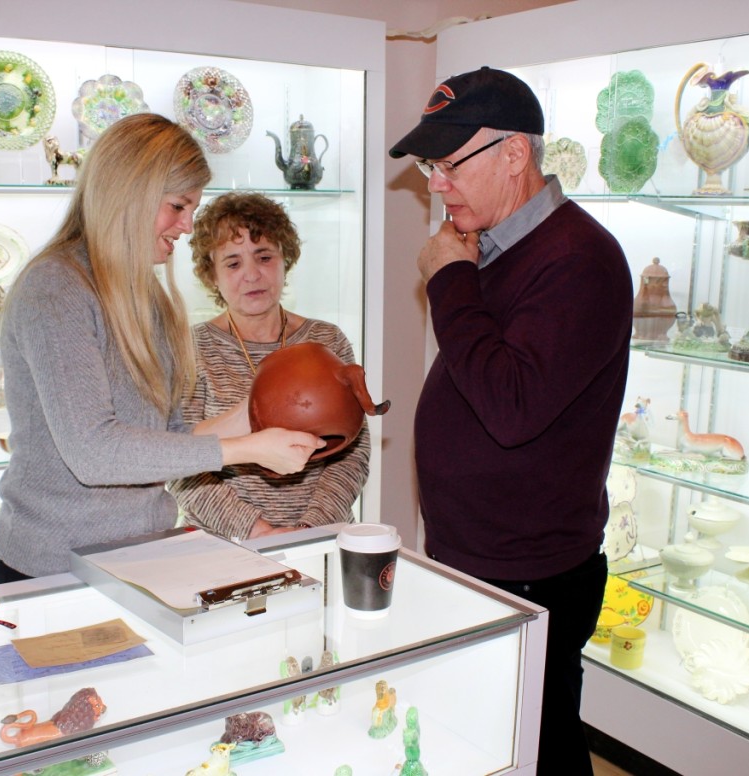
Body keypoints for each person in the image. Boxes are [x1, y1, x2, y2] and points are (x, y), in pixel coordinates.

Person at [389, 67, 633, 774]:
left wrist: (448, 281)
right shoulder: (494, 243)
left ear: (515, 154)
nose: (437, 184)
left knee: (539, 746)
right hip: (482, 554)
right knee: (487, 734)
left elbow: (510, 406)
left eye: (448, 164)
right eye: (432, 167)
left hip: (532, 570)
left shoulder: (579, 259)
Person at [0, 114, 324, 584]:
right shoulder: (54, 289)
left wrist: (275, 409)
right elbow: (95, 453)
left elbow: (173, 437)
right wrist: (248, 447)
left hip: (137, 558)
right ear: (130, 193)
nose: (186, 226)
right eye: (177, 206)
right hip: (51, 571)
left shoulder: (150, 297)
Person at [169, 192, 369, 540]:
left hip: (321, 540)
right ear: (210, 275)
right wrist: (257, 531)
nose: (252, 275)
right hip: (226, 546)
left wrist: (307, 530)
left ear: (285, 259)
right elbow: (180, 464)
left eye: (264, 257)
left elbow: (353, 451)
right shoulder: (190, 348)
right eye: (232, 263)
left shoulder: (327, 340)